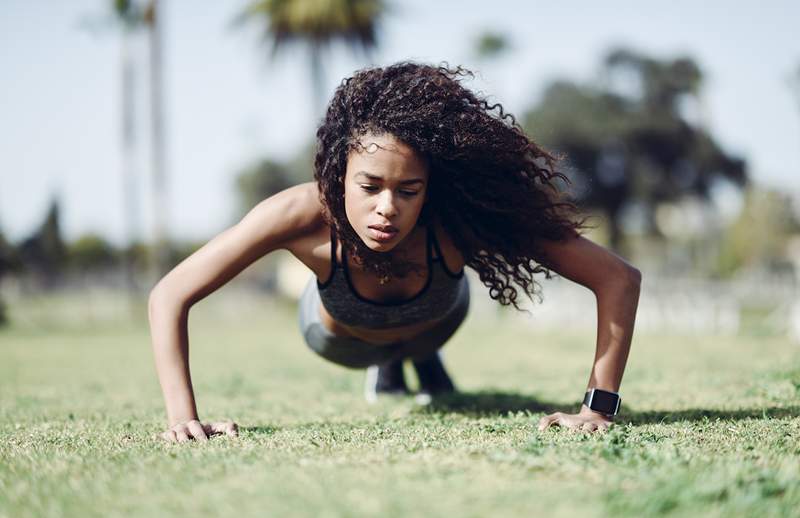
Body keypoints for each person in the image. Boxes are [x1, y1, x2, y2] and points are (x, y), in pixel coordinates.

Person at [148, 63, 642, 443]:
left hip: (436, 319)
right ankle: (390, 363)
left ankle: (416, 358)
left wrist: (598, 408)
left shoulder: (460, 217)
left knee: (437, 313)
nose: (387, 208)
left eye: (409, 190)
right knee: (375, 344)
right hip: (339, 338)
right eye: (370, 186)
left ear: (432, 186)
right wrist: (183, 420)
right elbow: (169, 294)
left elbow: (618, 278)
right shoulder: (298, 213)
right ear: (338, 174)